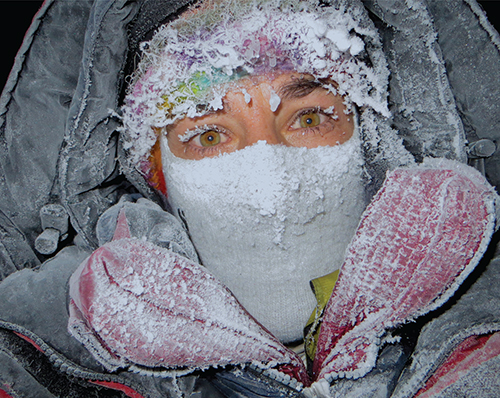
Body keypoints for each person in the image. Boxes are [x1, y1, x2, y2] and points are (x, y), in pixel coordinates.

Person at [0, 1, 499, 397]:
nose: (272, 187)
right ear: (155, 176)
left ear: (371, 144)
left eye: (308, 118)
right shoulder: (34, 366)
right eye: (211, 135)